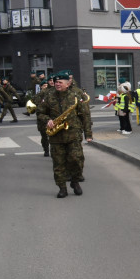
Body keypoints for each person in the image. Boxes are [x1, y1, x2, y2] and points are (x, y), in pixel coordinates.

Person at [39, 70, 93, 198]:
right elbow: (40, 112)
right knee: (58, 164)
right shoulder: (49, 96)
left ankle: (75, 182)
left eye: (60, 82)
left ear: (68, 83)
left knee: (77, 159)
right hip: (56, 136)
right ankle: (62, 188)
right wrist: (48, 120)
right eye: (56, 82)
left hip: (73, 134)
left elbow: (85, 115)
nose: (57, 84)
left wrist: (88, 134)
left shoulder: (76, 95)